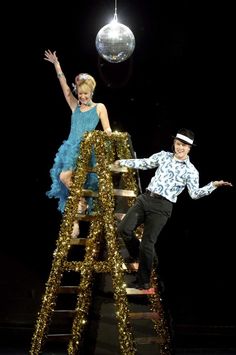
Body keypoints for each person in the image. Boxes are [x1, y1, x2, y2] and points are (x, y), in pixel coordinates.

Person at [114, 128, 233, 290]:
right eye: (178, 144)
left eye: (184, 145)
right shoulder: (163, 156)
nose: (180, 148)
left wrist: (213, 185)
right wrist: (122, 162)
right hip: (145, 199)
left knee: (147, 243)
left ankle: (143, 281)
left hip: (162, 207)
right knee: (123, 229)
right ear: (174, 144)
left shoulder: (191, 171)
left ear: (189, 148)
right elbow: (144, 163)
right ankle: (141, 256)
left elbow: (195, 194)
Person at [44, 49, 112, 237]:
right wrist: (57, 65)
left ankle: (81, 204)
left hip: (87, 149)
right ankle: (76, 217)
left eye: (85, 93)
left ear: (91, 92)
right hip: (71, 149)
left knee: (68, 178)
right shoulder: (75, 106)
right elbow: (65, 88)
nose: (82, 97)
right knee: (65, 181)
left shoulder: (99, 107)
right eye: (80, 93)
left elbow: (107, 129)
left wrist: (107, 136)